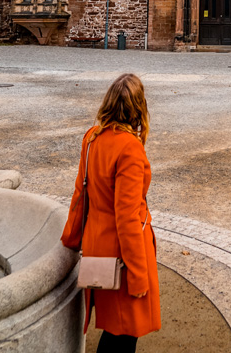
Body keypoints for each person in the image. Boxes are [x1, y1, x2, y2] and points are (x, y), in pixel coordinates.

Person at [62, 73, 161, 352]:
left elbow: (81, 194)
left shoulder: (92, 138)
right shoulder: (129, 148)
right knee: (123, 336)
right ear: (138, 107)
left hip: (98, 248)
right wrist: (138, 275)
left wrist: (71, 238)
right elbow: (127, 216)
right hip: (122, 257)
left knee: (115, 330)